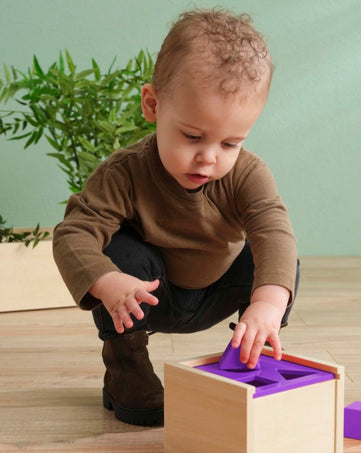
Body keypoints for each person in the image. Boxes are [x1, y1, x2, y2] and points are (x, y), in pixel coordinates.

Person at [53, 8, 299, 426]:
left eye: (230, 143)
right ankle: (128, 369)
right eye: (192, 136)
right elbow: (72, 233)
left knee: (280, 263)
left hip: (218, 290)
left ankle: (251, 351)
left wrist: (268, 305)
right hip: (149, 296)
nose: (209, 157)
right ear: (152, 105)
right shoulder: (124, 173)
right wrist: (108, 282)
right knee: (117, 252)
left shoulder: (248, 175)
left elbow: (273, 229)